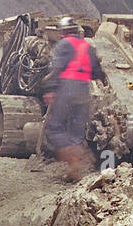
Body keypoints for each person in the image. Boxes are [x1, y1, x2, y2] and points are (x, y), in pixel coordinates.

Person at [41, 16, 106, 181]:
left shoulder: (63, 44)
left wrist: (49, 89)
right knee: (77, 130)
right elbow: (97, 72)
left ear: (62, 32)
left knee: (55, 126)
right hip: (84, 88)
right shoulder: (87, 46)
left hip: (67, 86)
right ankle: (74, 169)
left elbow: (56, 68)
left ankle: (70, 152)